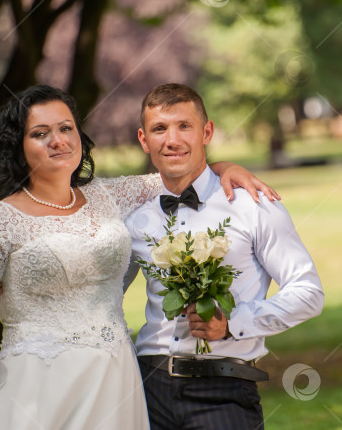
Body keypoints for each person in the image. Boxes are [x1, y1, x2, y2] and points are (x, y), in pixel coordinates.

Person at [0, 85, 276, 430]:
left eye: (66, 128)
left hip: (115, 381)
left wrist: (224, 167)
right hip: (38, 383)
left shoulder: (111, 196)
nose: (58, 140)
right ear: (19, 147)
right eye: (40, 133)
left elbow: (179, 172)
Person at [123, 84, 325, 429]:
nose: (172, 140)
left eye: (184, 126)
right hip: (146, 394)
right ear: (144, 139)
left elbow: (308, 292)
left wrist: (232, 323)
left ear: (207, 131)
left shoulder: (253, 205)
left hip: (224, 390)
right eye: (160, 129)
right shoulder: (132, 216)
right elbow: (101, 292)